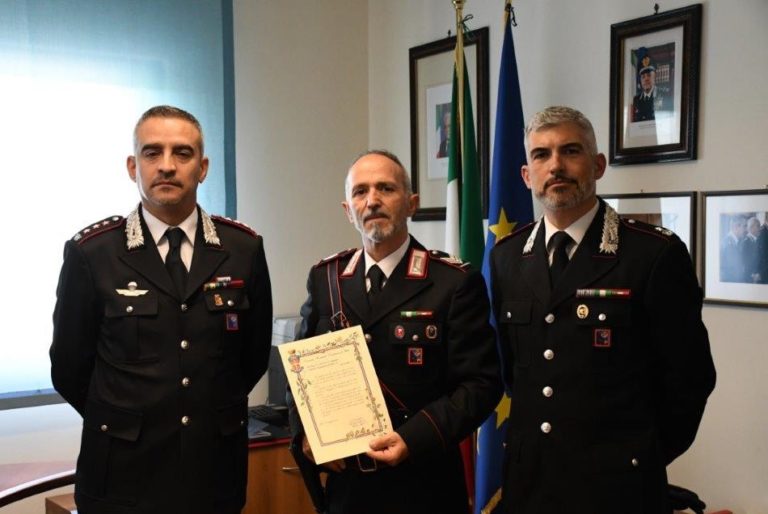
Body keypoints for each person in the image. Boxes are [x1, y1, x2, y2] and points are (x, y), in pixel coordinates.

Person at [489, 106, 715, 514]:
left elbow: (690, 378)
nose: (555, 165)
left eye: (570, 151)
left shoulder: (652, 254)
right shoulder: (506, 257)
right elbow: (511, 372)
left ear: (597, 165)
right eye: (541, 155)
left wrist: (638, 455)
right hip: (529, 484)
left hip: (618, 488)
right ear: (526, 175)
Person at [50, 105, 273, 514]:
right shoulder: (92, 253)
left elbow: (253, 356)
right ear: (133, 166)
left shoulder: (243, 249)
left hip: (212, 474)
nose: (167, 165)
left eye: (182, 153)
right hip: (121, 475)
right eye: (152, 153)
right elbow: (68, 366)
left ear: (202, 168)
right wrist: (125, 419)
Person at [289, 150, 502, 514]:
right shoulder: (326, 278)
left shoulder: (452, 281)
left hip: (424, 485)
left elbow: (481, 384)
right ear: (348, 210)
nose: (372, 200)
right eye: (360, 192)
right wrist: (304, 433)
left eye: (386, 188)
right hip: (349, 490)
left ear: (411, 203)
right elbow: (299, 371)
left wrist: (413, 438)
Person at [632, 51, 663, 122]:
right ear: (640, 80)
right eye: (643, 77)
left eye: (649, 75)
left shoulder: (664, 94)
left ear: (655, 77)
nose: (646, 79)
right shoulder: (636, 99)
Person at [720, 215, 747, 282]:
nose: (746, 230)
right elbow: (730, 269)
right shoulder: (727, 243)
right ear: (735, 227)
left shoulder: (737, 241)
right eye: (744, 226)